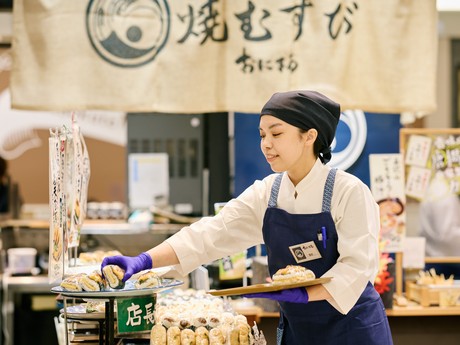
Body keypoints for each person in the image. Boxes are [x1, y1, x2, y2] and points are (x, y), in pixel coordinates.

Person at [102, 90, 393, 345]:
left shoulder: (349, 191)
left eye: (276, 134)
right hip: (300, 331)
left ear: (310, 136)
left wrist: (306, 294)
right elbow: (209, 233)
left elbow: (358, 267)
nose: (266, 144)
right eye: (262, 135)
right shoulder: (268, 193)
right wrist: (142, 261)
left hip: (352, 330)